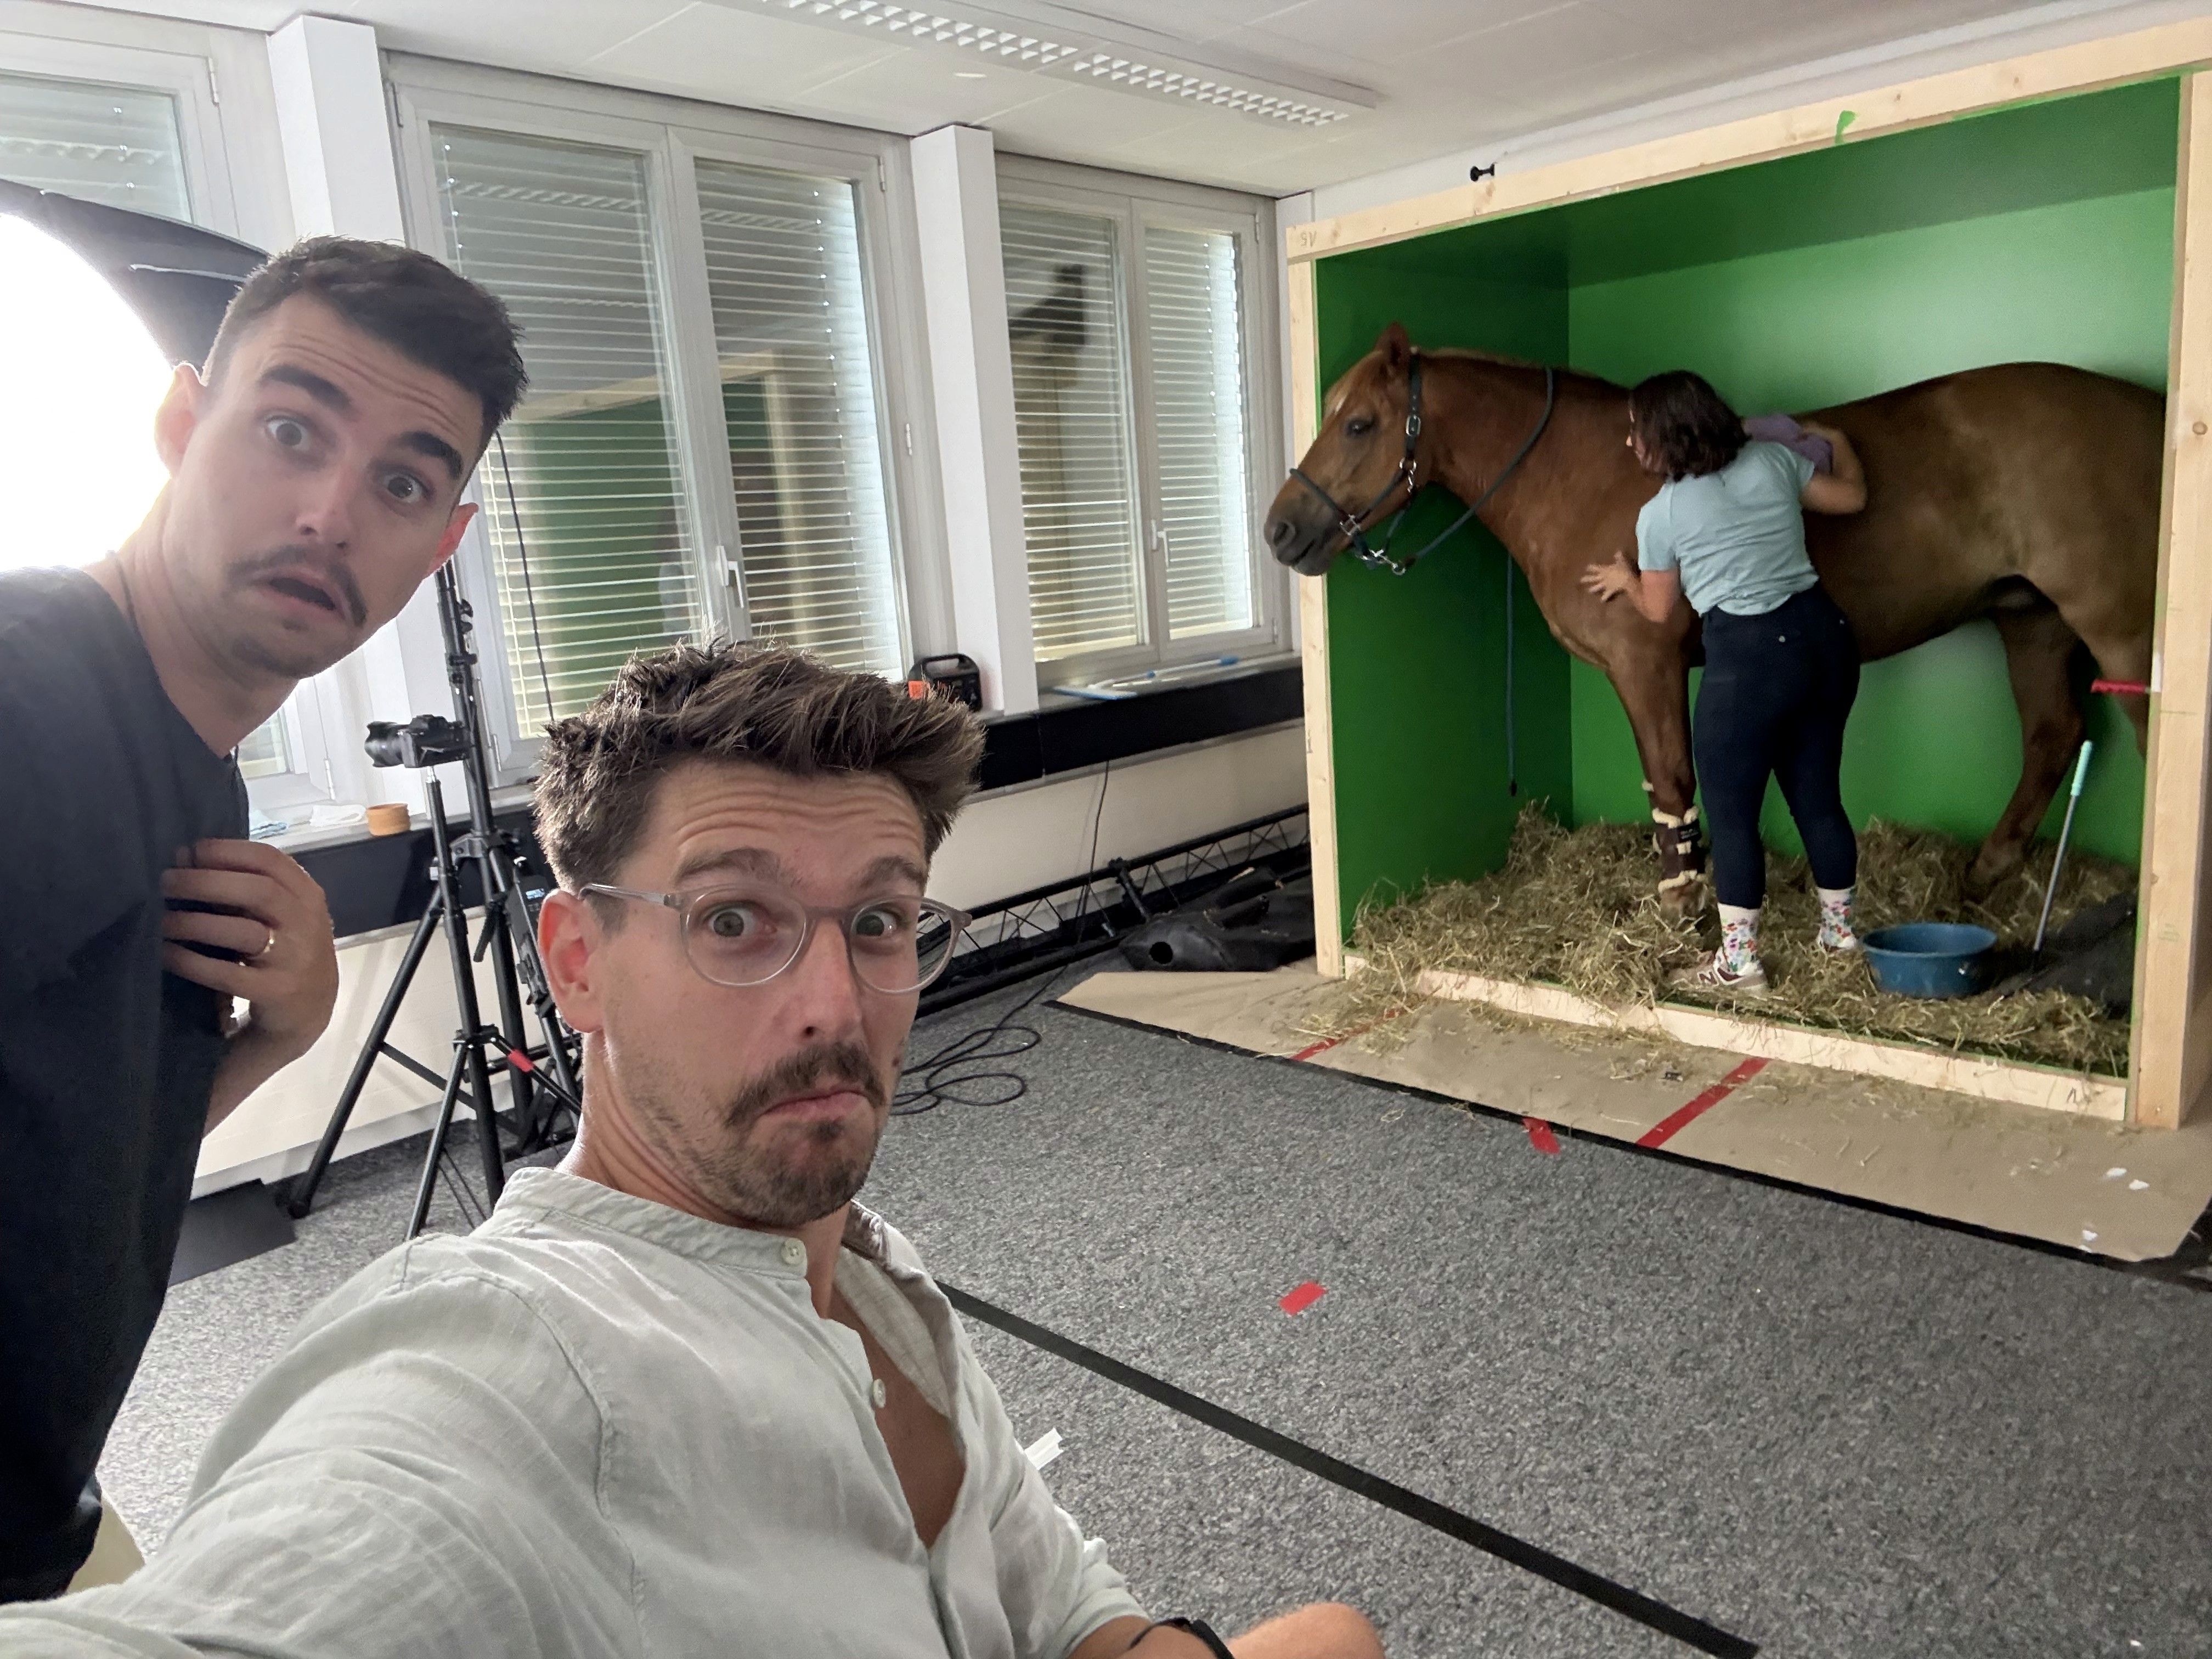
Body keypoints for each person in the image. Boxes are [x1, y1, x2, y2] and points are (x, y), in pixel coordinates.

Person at [0, 641, 1386, 1659]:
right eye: (733, 921)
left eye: (879, 921)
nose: (835, 1005)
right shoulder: (503, 1357)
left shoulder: (874, 1277)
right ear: (575, 963)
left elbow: (1053, 1594)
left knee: (1340, 1633)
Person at [0, 236, 526, 1601]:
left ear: (444, 542)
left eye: (402, 482)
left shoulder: (189, 754)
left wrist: (276, 1040)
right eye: (293, 431)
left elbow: (72, 1153)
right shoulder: (31, 702)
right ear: (183, 423)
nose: (330, 515)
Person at [1579, 370, 1869, 991]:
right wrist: (1840, 441)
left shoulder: (1660, 514)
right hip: (1825, 639)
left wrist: (1627, 580)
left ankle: (1741, 965)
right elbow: (1852, 499)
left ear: (1667, 437)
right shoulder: (1772, 461)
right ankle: (1841, 937)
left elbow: (1660, 610)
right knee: (1819, 796)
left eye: (1637, 431)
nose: (1630, 442)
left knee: (1733, 817)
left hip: (1749, 659)